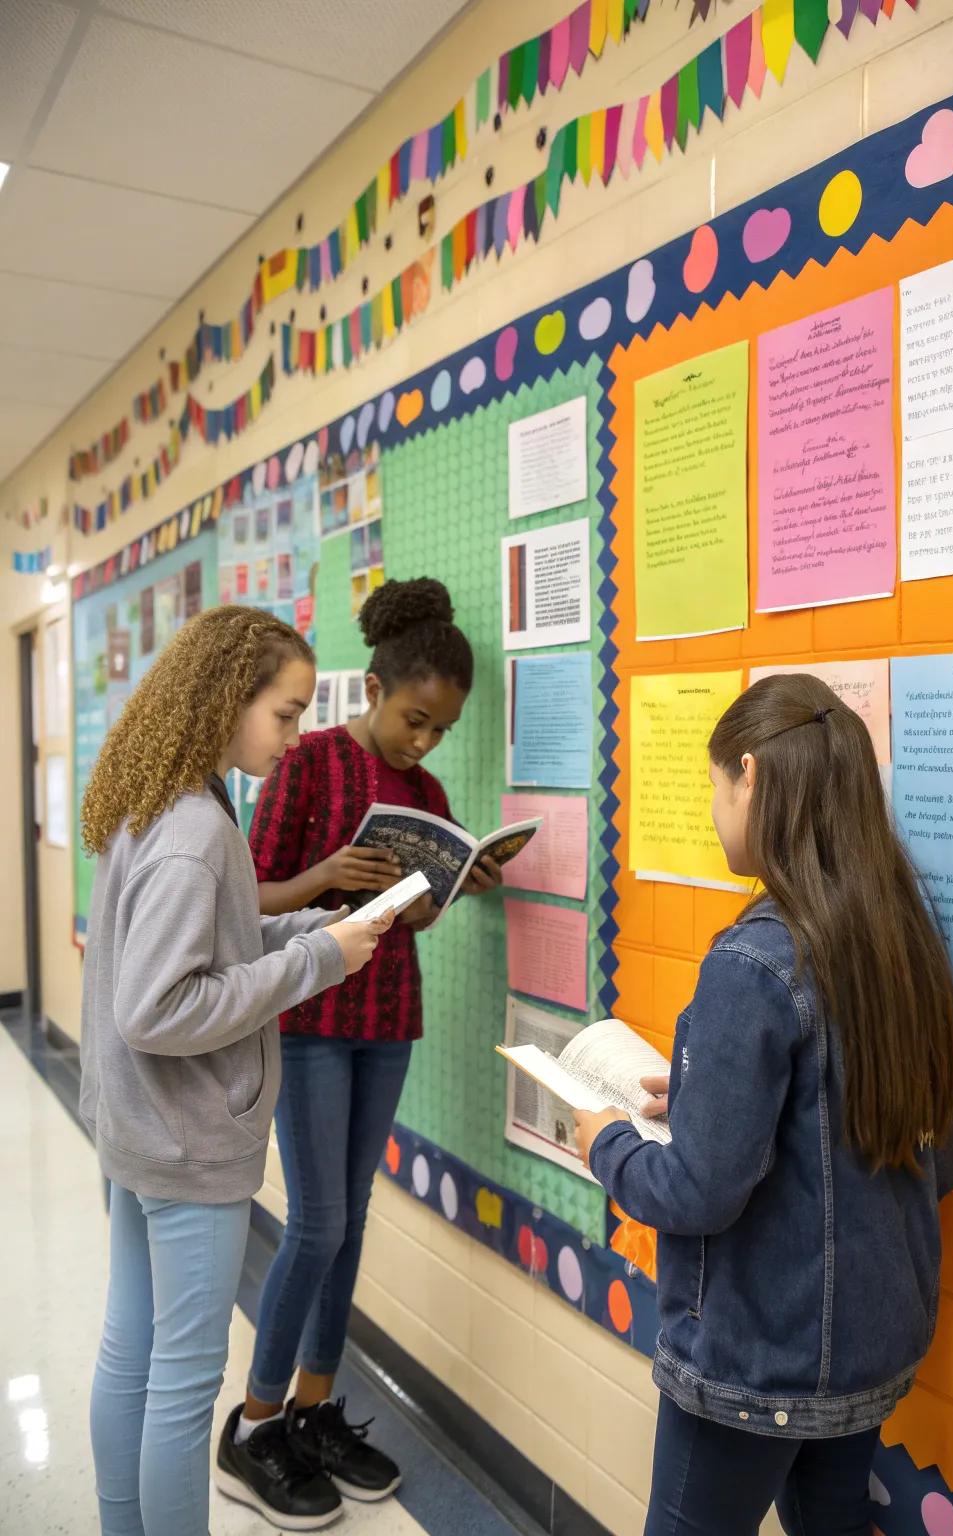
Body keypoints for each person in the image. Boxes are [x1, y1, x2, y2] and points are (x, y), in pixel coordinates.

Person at [574, 673, 953, 1536]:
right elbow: (940, 1157)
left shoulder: (752, 963)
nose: (716, 809)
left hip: (755, 1367)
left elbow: (696, 1194)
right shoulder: (904, 938)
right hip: (872, 1351)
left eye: (715, 787)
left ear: (749, 775)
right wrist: (713, 1103)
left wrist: (605, 1141)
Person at [79, 605, 390, 1536]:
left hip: (136, 1132)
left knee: (128, 1351)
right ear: (226, 699)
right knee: (181, 1384)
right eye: (284, 714)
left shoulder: (163, 798)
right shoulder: (197, 829)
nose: (293, 738)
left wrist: (311, 932)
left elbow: (204, 944)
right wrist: (317, 963)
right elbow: (159, 1007)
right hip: (185, 1141)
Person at [223, 577, 501, 1528]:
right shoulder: (309, 765)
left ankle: (312, 1411)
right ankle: (253, 1423)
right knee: (316, 1223)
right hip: (306, 1019)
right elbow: (251, 894)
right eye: (415, 719)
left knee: (353, 1222)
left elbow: (407, 914)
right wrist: (326, 877)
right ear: (376, 689)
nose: (424, 744)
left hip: (388, 1018)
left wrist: (455, 883)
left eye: (440, 732)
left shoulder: (424, 792)